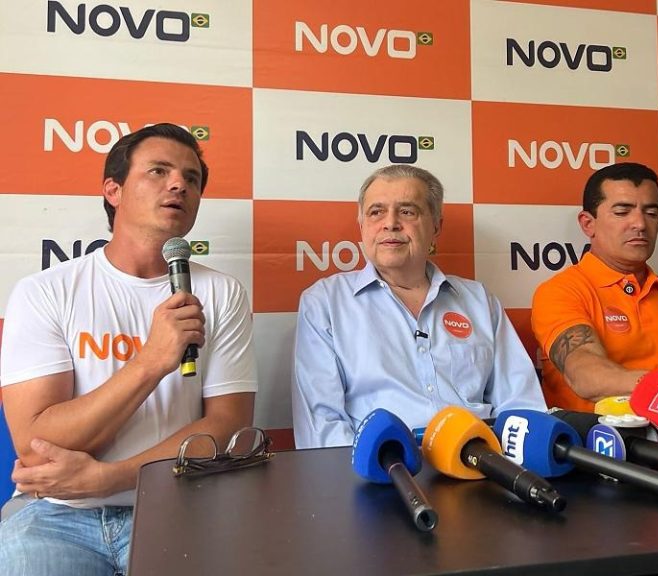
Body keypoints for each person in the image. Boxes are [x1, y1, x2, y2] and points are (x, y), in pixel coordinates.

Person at [0, 123, 258, 575]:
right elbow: (39, 445)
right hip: (57, 513)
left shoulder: (222, 292)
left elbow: (229, 427)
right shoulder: (45, 291)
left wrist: (113, 477)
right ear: (113, 190)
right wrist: (151, 362)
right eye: (158, 171)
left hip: (179, 503)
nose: (179, 184)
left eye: (191, 178)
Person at [292, 164, 545, 448]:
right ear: (362, 225)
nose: (390, 223)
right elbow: (322, 426)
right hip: (383, 467)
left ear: (436, 227)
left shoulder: (479, 301)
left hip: (481, 461)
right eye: (376, 212)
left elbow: (522, 404)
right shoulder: (325, 302)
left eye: (407, 211)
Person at [531, 162, 658, 413]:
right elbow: (587, 378)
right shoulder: (561, 291)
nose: (640, 223)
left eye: (651, 213)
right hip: (599, 436)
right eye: (622, 212)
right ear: (588, 224)